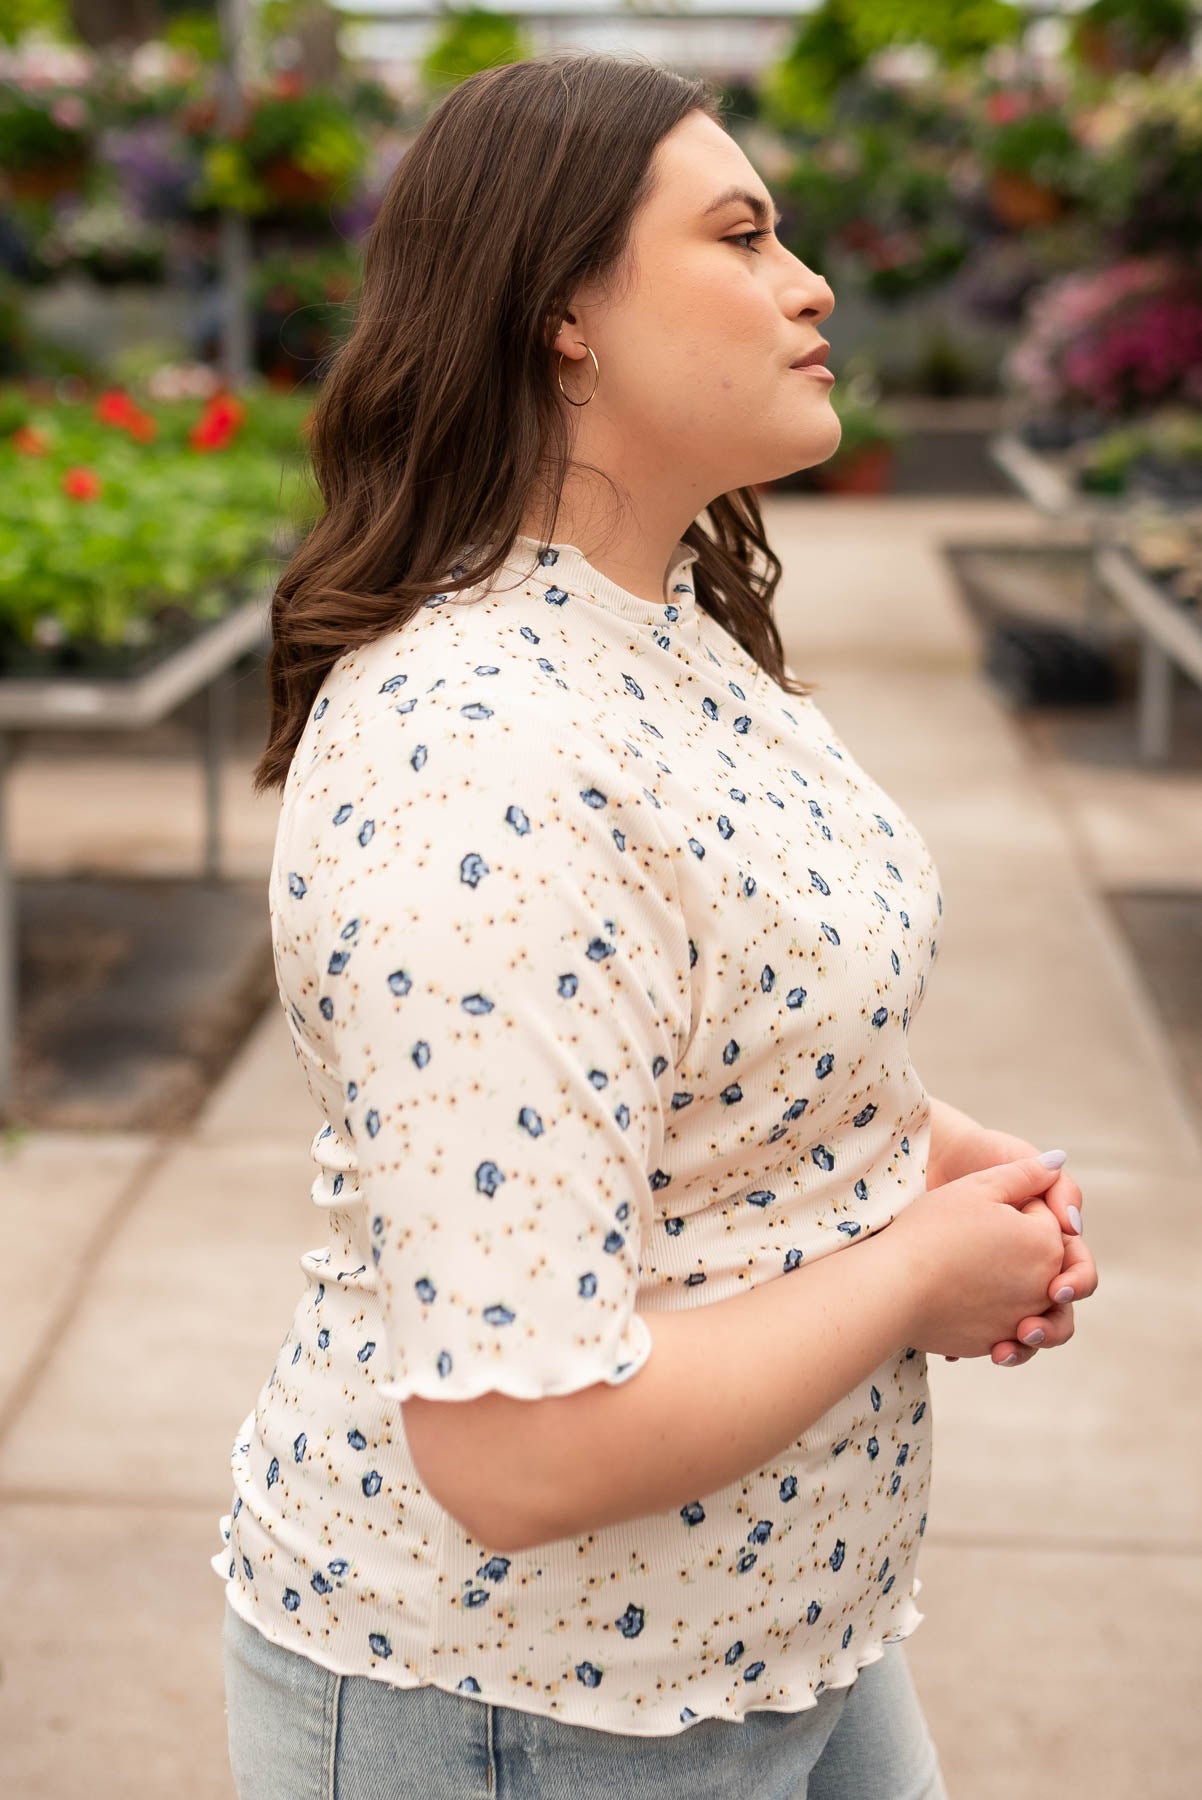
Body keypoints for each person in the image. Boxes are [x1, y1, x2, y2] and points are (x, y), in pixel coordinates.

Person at [213, 49, 1098, 1799]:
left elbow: (697, 1018)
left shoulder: (660, 624)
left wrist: (905, 1145)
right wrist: (914, 1273)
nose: (813, 281)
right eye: (743, 234)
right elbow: (516, 1451)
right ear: (565, 316)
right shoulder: (478, 759)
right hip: (518, 1702)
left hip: (784, 1631)